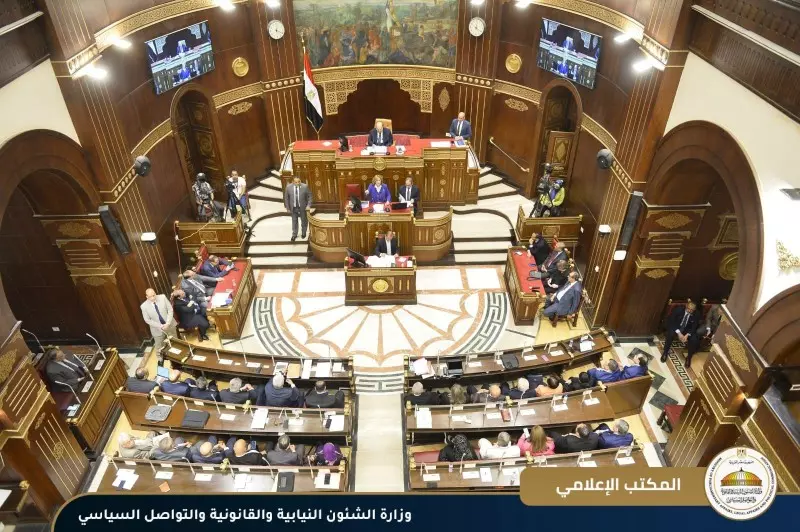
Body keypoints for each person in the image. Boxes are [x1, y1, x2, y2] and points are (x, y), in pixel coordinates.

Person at [140, 288, 178, 355]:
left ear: (155, 293)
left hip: (170, 324)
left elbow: (170, 310)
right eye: (150, 296)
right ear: (147, 297)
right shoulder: (144, 306)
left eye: (154, 295)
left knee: (175, 342)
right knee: (159, 347)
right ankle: (160, 359)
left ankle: (177, 356)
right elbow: (147, 320)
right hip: (157, 329)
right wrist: (160, 326)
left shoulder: (163, 297)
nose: (153, 298)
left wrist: (167, 323)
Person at [284, 176, 312, 242]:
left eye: (299, 181)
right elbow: (286, 198)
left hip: (302, 207)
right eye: (296, 182)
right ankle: (294, 234)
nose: (298, 183)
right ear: (293, 182)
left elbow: (310, 196)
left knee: (304, 221)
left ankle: (303, 233)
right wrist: (288, 208)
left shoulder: (305, 186)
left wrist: (308, 205)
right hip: (293, 208)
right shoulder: (288, 187)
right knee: (294, 221)